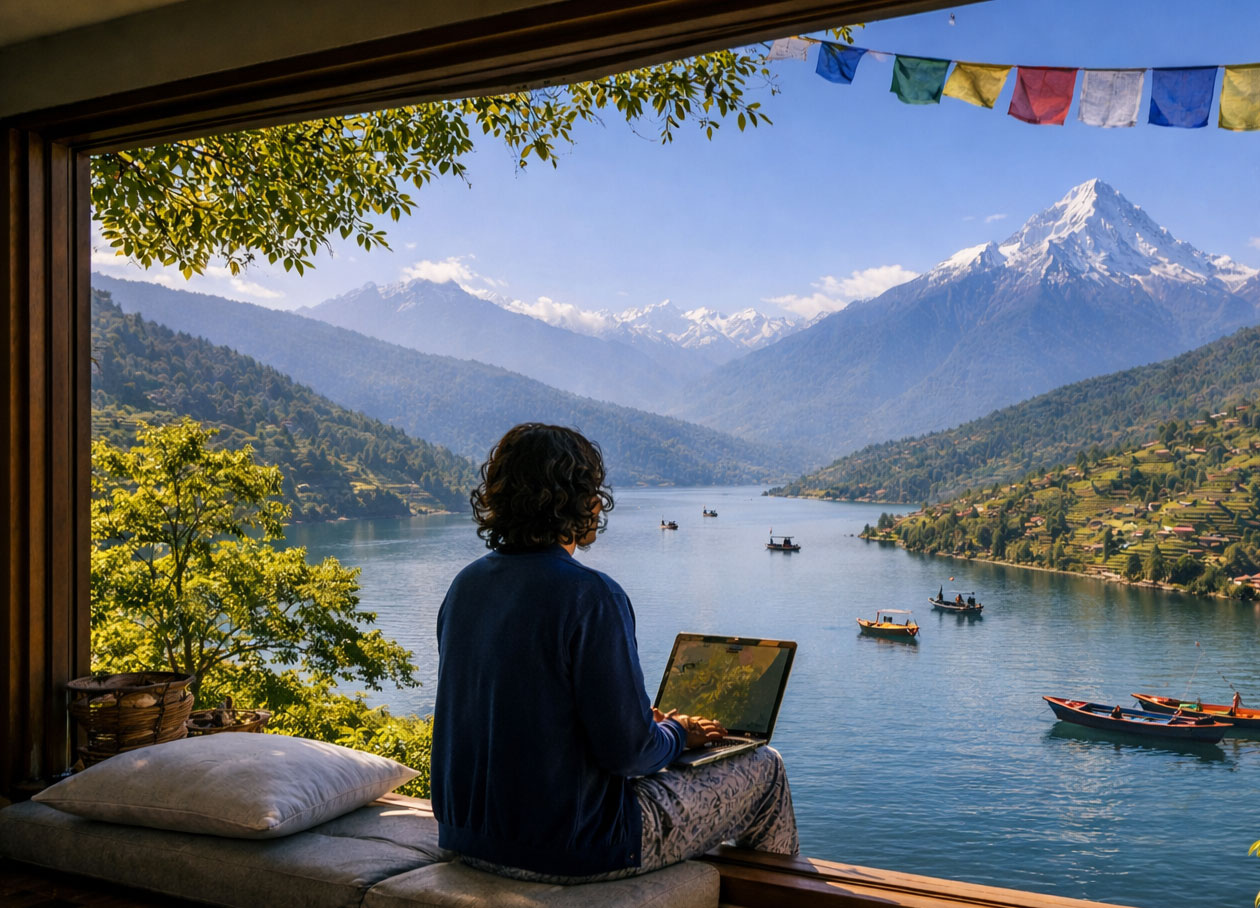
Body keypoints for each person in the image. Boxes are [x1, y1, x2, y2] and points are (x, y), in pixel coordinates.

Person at [431, 423, 798, 884]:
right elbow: (629, 755)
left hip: (467, 838)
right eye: (593, 490)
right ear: (582, 501)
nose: (599, 502)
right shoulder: (591, 596)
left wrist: (643, 722)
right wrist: (678, 734)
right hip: (574, 845)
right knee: (765, 768)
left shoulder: (465, 586)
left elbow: (521, 706)